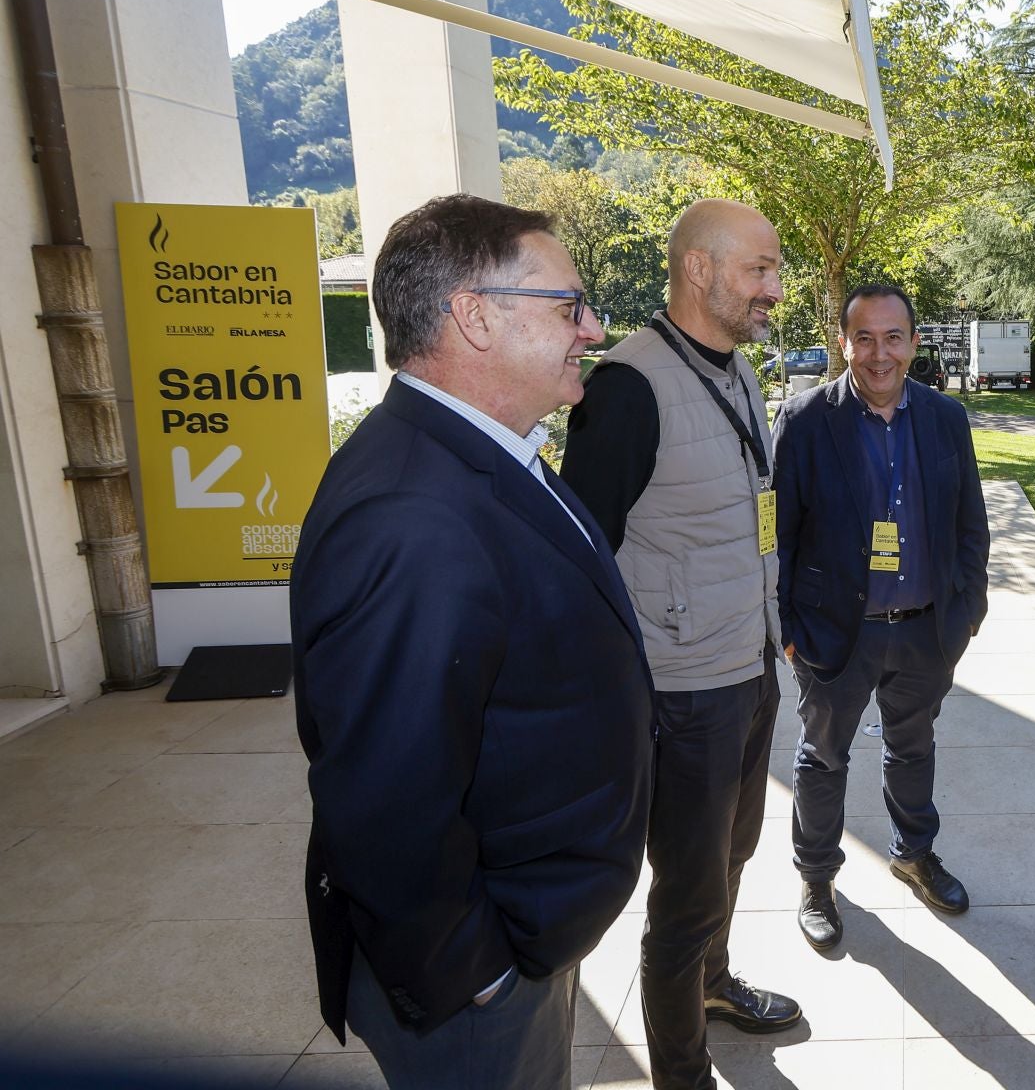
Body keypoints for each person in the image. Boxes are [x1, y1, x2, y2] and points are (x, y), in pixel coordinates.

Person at [291, 194, 653, 1090]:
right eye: (569, 306)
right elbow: (385, 799)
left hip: (528, 935)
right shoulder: (411, 515)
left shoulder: (484, 453)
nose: (595, 329)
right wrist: (482, 974)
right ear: (473, 316)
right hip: (478, 986)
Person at [560, 199, 799, 1090]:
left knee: (732, 857)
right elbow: (582, 553)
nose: (775, 288)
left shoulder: (734, 370)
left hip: (749, 668)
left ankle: (715, 985)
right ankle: (682, 1073)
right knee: (687, 893)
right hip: (684, 693)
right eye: (759, 270)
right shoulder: (627, 386)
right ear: (699, 270)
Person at [769, 283, 991, 949]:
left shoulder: (945, 418)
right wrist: (785, 628)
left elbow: (969, 525)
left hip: (925, 629)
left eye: (893, 337)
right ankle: (816, 877)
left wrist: (965, 614)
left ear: (914, 343)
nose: (878, 353)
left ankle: (914, 854)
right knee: (822, 757)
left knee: (913, 747)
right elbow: (772, 530)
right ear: (843, 342)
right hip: (834, 634)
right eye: (863, 337)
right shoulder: (806, 419)